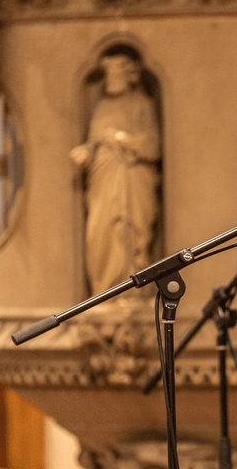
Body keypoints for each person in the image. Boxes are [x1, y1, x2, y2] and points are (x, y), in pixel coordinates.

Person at [71, 47, 161, 296]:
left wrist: (121, 139)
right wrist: (86, 153)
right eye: (108, 74)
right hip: (102, 181)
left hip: (131, 179)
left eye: (116, 73)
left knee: (126, 230)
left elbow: (152, 146)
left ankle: (129, 290)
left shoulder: (141, 104)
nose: (111, 79)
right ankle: (104, 290)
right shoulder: (101, 107)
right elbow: (94, 142)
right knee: (99, 234)